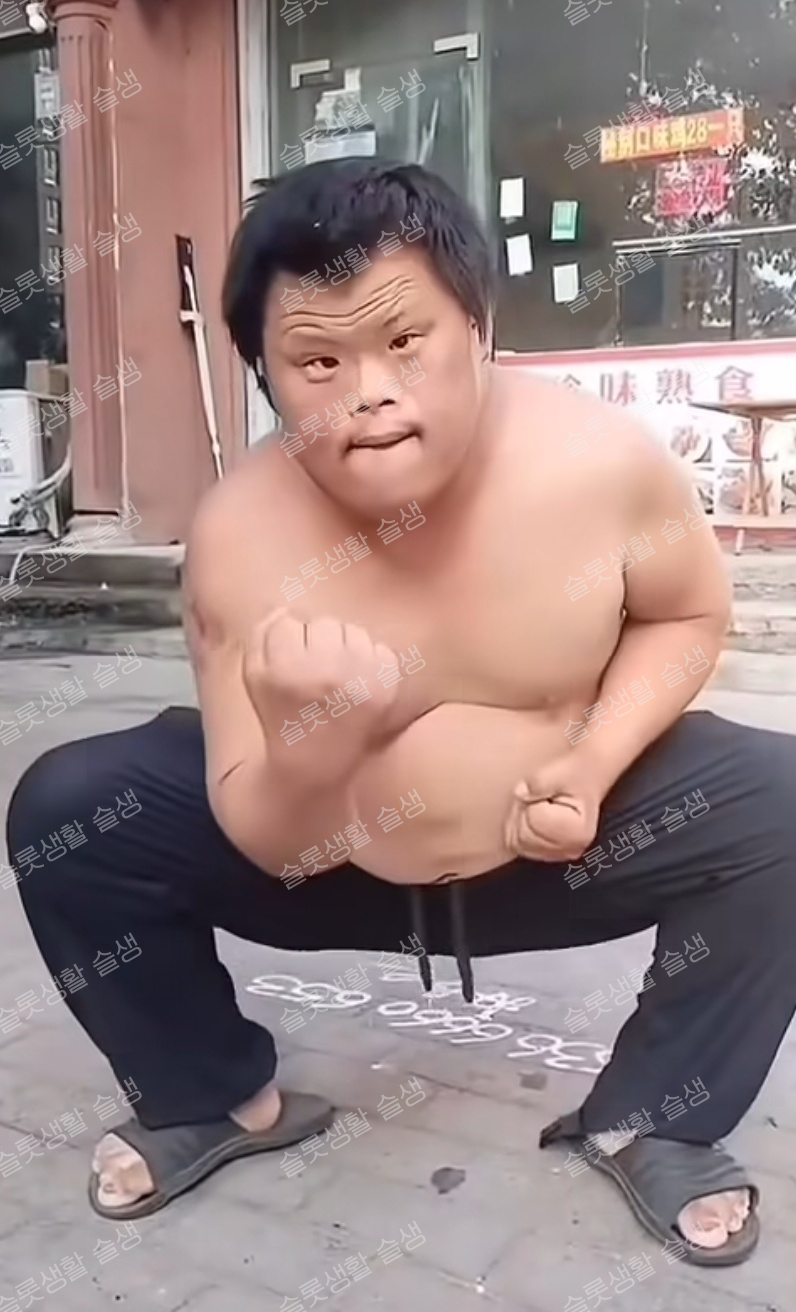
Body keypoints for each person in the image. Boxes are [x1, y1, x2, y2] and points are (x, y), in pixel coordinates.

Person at [7, 158, 796, 1265]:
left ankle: (659, 1115)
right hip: (327, 864)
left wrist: (594, 761)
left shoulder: (604, 463)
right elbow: (263, 833)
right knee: (71, 805)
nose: (367, 392)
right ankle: (208, 1095)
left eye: (404, 341)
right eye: (318, 361)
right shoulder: (236, 533)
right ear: (266, 376)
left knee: (780, 802)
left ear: (479, 329)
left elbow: (683, 616)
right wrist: (316, 749)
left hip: (559, 855)